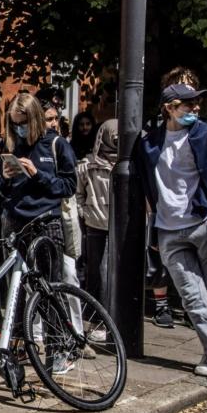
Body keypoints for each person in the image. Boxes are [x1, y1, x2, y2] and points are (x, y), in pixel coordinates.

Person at [135, 69, 207, 387]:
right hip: (169, 232)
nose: (195, 109)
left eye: (197, 104)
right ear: (170, 107)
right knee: (193, 297)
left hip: (204, 224)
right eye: (188, 105)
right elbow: (146, 189)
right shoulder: (150, 144)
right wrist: (152, 224)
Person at [0, 91, 83, 361]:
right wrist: (4, 178)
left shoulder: (56, 145)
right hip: (15, 222)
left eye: (22, 123)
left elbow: (68, 187)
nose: (18, 128)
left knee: (49, 287)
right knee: (18, 288)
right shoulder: (13, 145)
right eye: (14, 123)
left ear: (34, 118)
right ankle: (21, 347)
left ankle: (57, 349)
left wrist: (37, 174)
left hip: (46, 223)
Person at [76, 119, 119, 301]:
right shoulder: (88, 165)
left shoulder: (128, 165)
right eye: (114, 138)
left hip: (119, 226)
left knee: (117, 272)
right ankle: (97, 316)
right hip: (95, 224)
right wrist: (83, 213)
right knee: (97, 271)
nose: (117, 141)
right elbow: (78, 193)